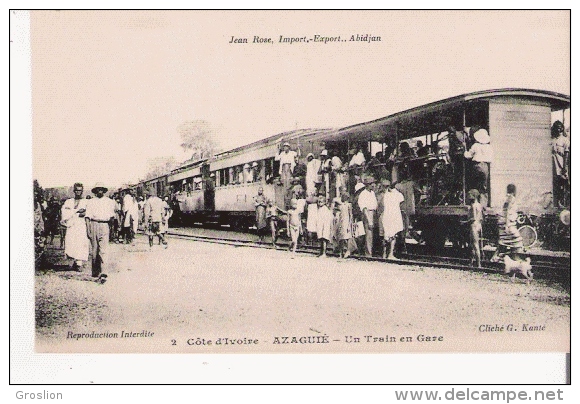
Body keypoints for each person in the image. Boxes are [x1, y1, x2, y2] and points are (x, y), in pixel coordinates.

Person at [85, 182, 116, 280]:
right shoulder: (91, 202)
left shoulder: (110, 202)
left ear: (104, 190)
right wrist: (88, 229)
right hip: (94, 224)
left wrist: (112, 230)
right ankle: (95, 271)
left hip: (105, 224)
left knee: (103, 250)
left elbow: (112, 217)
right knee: (95, 250)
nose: (100, 191)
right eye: (98, 189)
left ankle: (104, 272)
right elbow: (87, 217)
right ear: (95, 191)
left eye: (101, 189)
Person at [491, 184, 524, 262]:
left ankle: (497, 256)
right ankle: (513, 256)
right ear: (514, 191)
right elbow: (507, 211)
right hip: (508, 223)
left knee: (503, 241)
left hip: (506, 222)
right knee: (517, 239)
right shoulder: (510, 198)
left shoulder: (508, 198)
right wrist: (507, 224)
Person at [60, 183, 90, 270]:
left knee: (81, 243)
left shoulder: (86, 202)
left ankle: (79, 263)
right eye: (76, 190)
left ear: (82, 191)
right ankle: (74, 261)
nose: (78, 192)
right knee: (71, 242)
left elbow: (88, 212)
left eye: (80, 190)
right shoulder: (69, 201)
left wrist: (83, 213)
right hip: (72, 225)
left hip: (81, 225)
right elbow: (65, 212)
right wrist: (76, 211)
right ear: (74, 191)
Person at [464, 128, 493, 199]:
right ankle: (483, 202)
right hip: (485, 166)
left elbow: (468, 155)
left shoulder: (475, 145)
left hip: (477, 165)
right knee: (484, 185)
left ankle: (474, 200)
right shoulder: (489, 147)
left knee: (475, 184)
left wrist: (465, 151)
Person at [381, 180, 405, 260]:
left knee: (386, 235)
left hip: (386, 215)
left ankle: (384, 254)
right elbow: (401, 205)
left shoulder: (386, 195)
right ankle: (390, 254)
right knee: (393, 235)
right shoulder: (399, 195)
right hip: (395, 216)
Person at [357, 177, 378, 257]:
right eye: (371, 183)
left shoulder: (372, 193)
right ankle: (368, 253)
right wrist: (369, 220)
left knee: (372, 234)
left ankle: (371, 251)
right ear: (368, 185)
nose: (373, 185)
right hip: (367, 213)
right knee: (368, 234)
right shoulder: (363, 194)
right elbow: (364, 208)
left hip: (373, 212)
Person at [551, 120, 570, 206]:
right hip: (553, 165)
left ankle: (562, 202)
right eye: (556, 128)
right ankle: (556, 202)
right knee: (555, 184)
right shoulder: (552, 139)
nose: (558, 130)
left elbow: (566, 153)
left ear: (562, 128)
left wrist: (564, 167)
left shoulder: (565, 140)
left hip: (561, 164)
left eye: (560, 128)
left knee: (563, 184)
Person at [464, 189, 483, 268]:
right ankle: (471, 263)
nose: (468, 196)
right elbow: (480, 218)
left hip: (473, 225)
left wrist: (465, 221)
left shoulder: (473, 206)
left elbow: (473, 218)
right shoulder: (479, 205)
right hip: (478, 225)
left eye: (469, 195)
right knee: (473, 245)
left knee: (475, 245)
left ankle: (478, 264)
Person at [275, 142, 298, 207]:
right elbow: (276, 158)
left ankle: (291, 204)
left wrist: (297, 147)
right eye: (284, 147)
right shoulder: (282, 154)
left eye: (286, 147)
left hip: (289, 169)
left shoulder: (292, 153)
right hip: (283, 170)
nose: (285, 148)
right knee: (285, 188)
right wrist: (278, 150)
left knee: (289, 187)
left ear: (289, 147)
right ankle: (285, 204)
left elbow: (297, 154)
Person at [334, 190, 353, 258]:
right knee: (341, 237)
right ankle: (341, 251)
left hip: (346, 221)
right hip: (341, 221)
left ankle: (347, 250)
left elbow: (350, 215)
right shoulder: (340, 205)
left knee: (347, 237)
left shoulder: (348, 205)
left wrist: (350, 224)